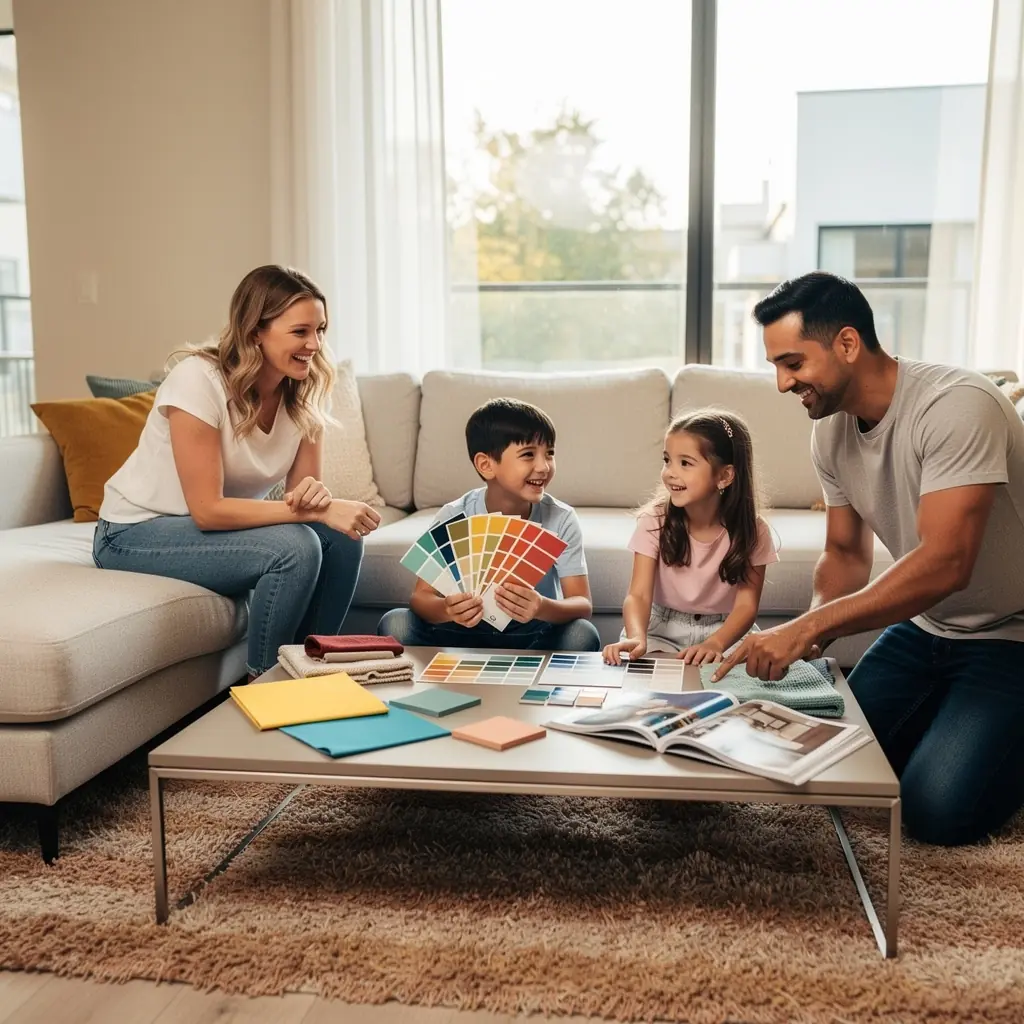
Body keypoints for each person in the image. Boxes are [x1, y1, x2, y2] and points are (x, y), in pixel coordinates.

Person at [714, 270, 1024, 846]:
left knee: (935, 810)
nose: (782, 383)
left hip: (1012, 635)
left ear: (848, 344)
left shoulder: (956, 406)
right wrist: (812, 643)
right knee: (834, 763)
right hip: (927, 627)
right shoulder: (828, 432)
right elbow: (843, 553)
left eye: (793, 363)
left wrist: (807, 626)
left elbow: (946, 562)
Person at [93, 265, 381, 681]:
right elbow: (208, 510)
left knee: (341, 541)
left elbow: (302, 497)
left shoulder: (306, 386)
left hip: (202, 529)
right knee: (295, 546)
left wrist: (321, 505)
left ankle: (308, 669)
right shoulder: (199, 379)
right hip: (134, 531)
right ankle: (262, 684)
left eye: (321, 329)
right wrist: (319, 511)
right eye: (300, 332)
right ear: (255, 332)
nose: (315, 344)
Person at [378, 398, 600, 651]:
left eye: (549, 453)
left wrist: (541, 606)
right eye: (528, 454)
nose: (544, 466)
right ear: (486, 465)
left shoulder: (561, 518)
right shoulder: (455, 514)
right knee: (395, 624)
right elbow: (420, 597)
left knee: (582, 634)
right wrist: (447, 609)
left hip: (530, 631)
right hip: (461, 630)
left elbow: (581, 603)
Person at [602, 409, 779, 666]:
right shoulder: (655, 520)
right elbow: (638, 595)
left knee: (747, 674)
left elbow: (746, 606)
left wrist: (715, 643)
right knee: (645, 679)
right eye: (667, 460)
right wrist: (636, 636)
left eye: (685, 463)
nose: (669, 473)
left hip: (724, 631)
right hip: (661, 629)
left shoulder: (754, 530)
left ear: (725, 476)